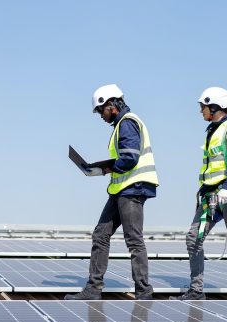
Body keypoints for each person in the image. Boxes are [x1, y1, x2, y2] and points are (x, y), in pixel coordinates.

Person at [65, 84, 158, 300]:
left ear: (112, 105)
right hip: (121, 189)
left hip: (133, 188)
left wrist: (108, 167)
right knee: (100, 234)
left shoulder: (127, 123)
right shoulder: (120, 125)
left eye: (100, 110)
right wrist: (103, 169)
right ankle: (93, 289)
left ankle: (144, 291)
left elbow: (130, 157)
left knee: (133, 239)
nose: (100, 115)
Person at [171, 87, 227, 301]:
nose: (201, 111)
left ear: (214, 105)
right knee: (193, 238)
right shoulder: (211, 130)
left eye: (203, 107)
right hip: (210, 196)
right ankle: (196, 290)